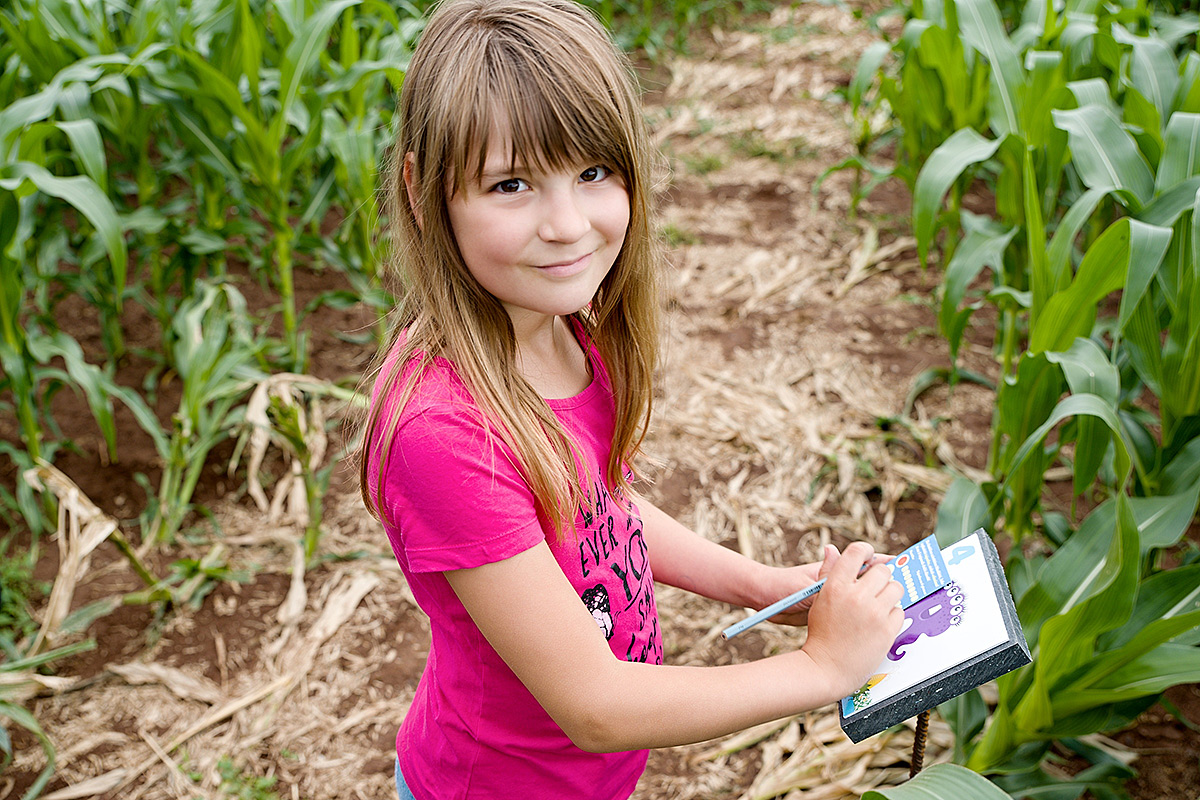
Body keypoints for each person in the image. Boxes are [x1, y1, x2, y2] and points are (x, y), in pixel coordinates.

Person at [356, 1, 905, 797]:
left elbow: (594, 511)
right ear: (421, 189)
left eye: (591, 173)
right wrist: (822, 668)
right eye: (511, 183)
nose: (568, 225)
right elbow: (597, 707)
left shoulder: (560, 327)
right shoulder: (445, 432)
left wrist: (760, 586)